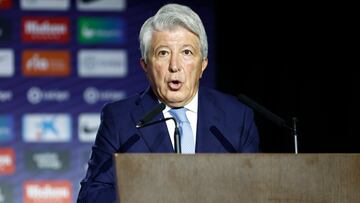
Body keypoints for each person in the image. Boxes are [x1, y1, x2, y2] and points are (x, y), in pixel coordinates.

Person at [77, 3, 259, 202]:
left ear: (203, 65)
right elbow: (91, 195)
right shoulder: (120, 119)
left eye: (186, 52)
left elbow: (255, 191)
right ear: (145, 65)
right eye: (163, 53)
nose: (175, 66)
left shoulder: (237, 117)